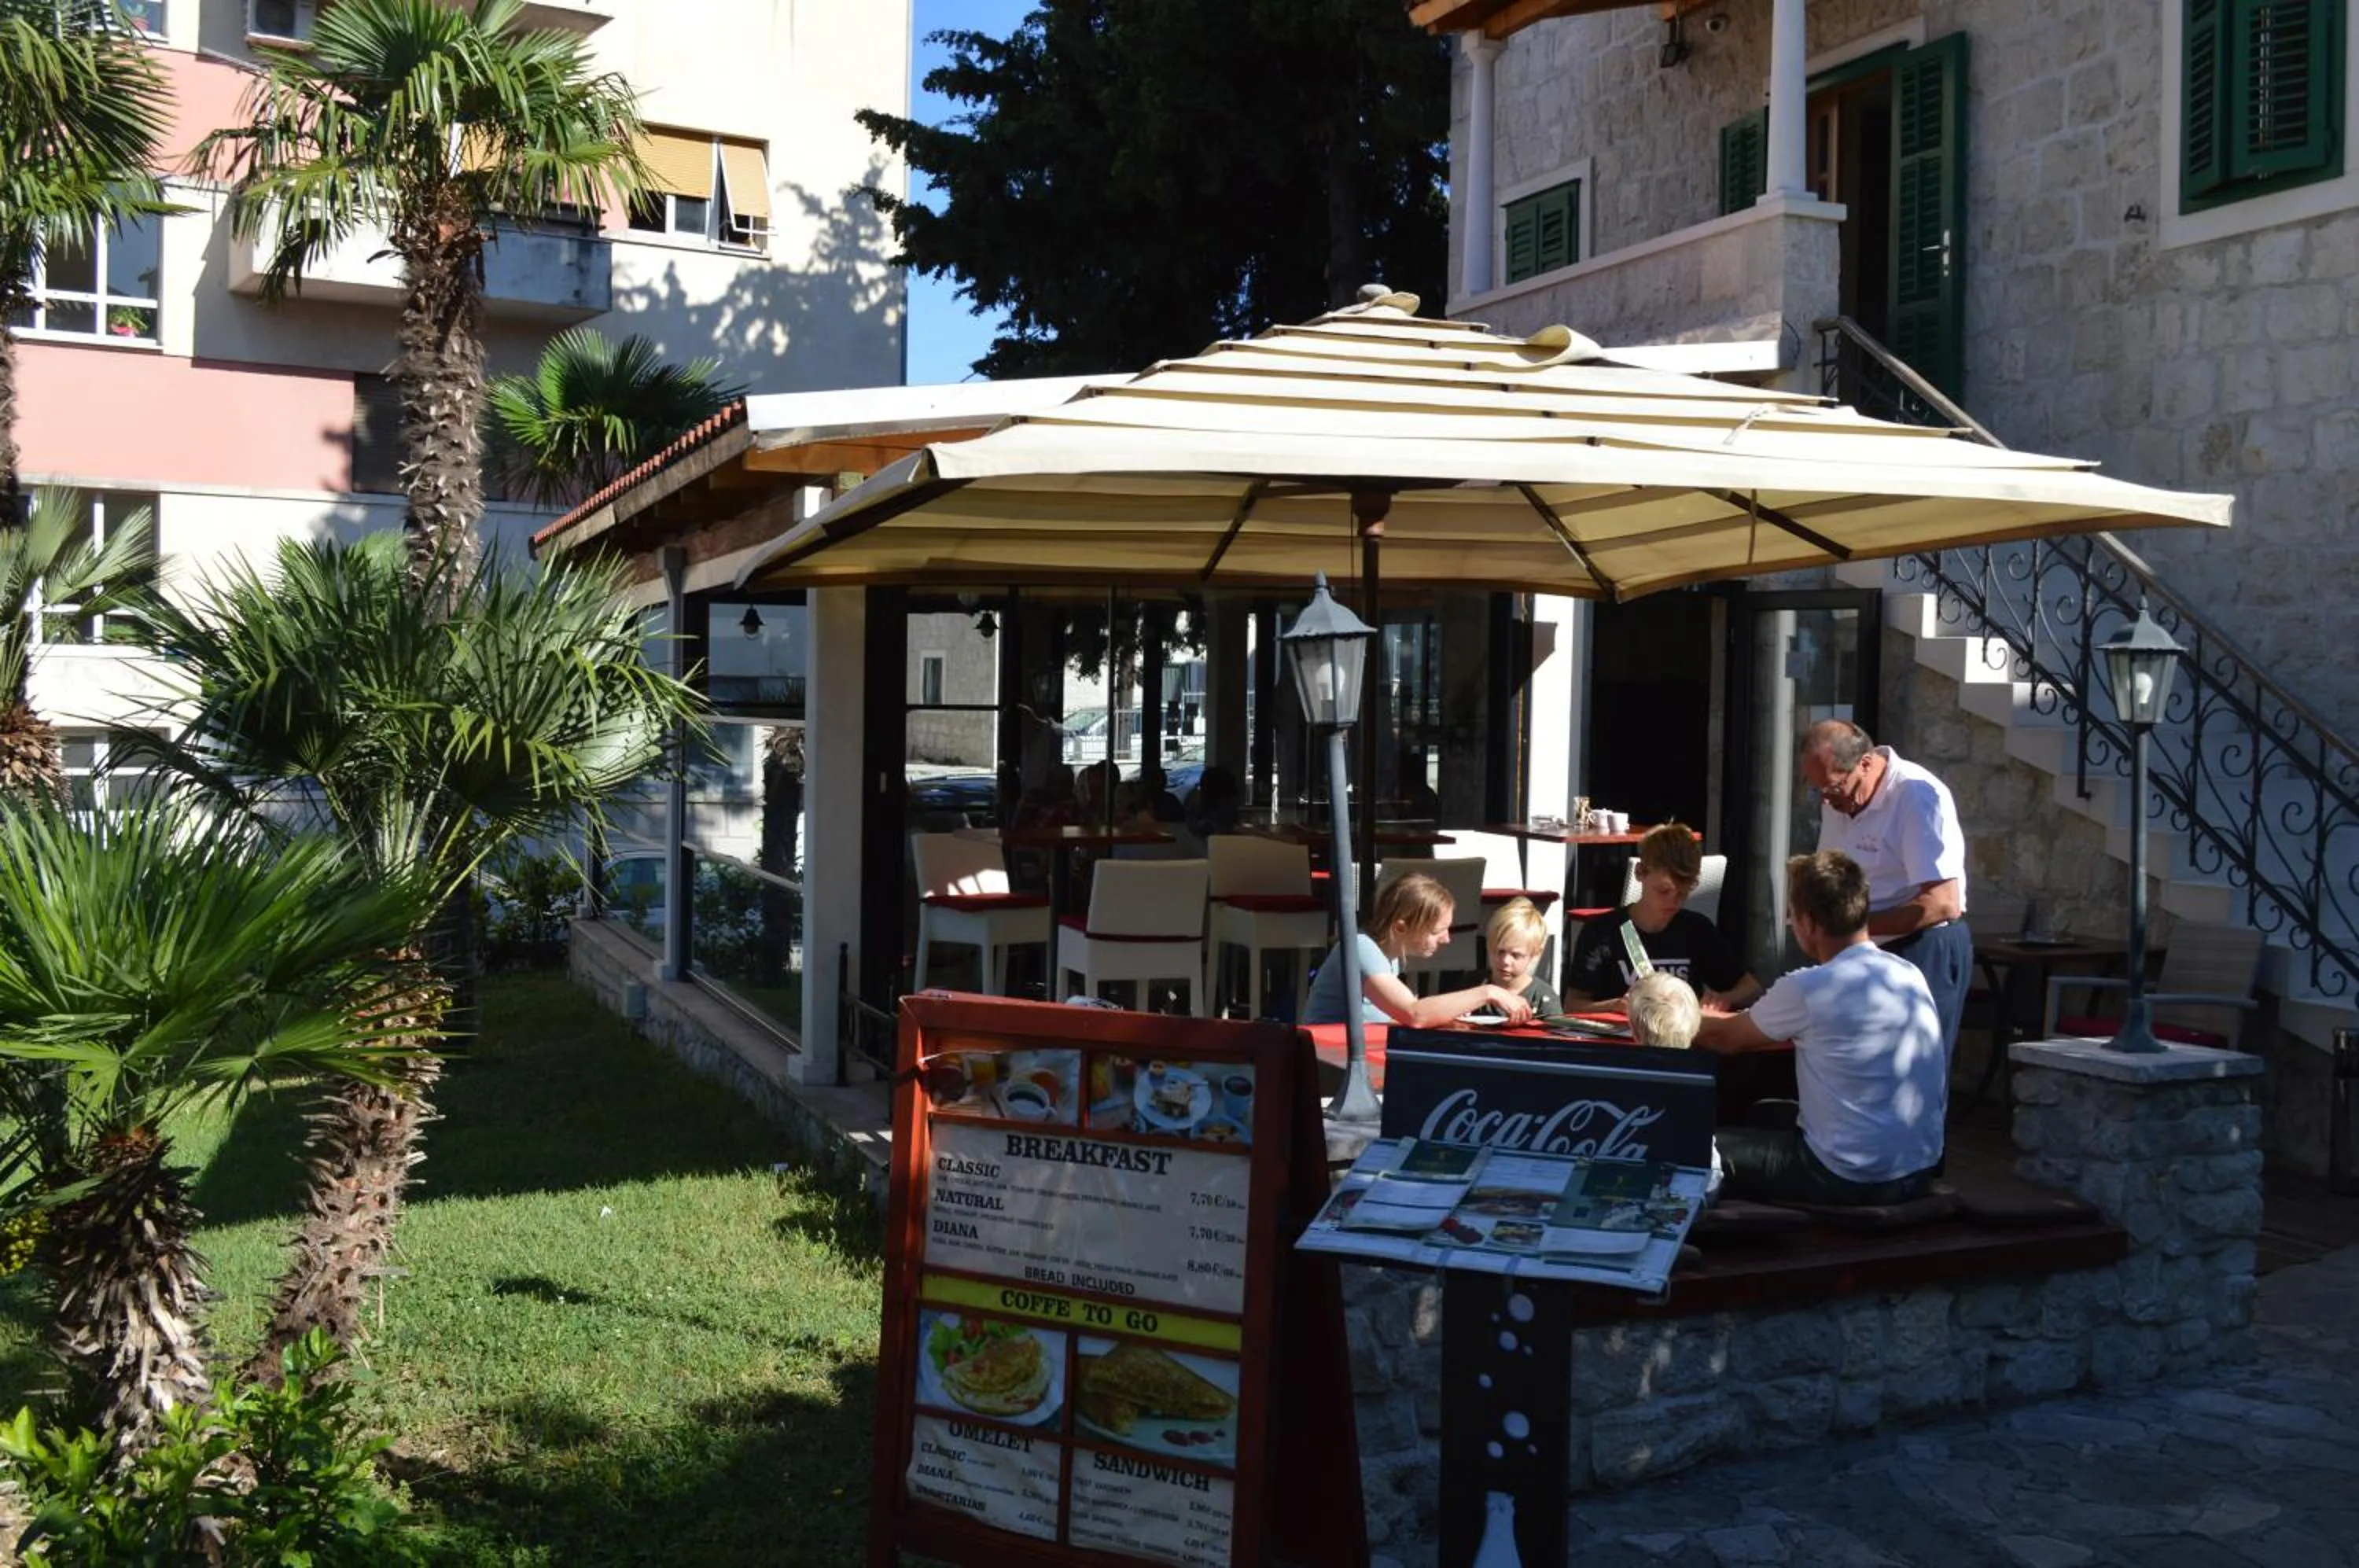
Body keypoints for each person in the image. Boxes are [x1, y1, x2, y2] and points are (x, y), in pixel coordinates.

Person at [1695, 851, 1949, 1206]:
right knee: (1763, 1113)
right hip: (1918, 1171)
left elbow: (1723, 1038)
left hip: (1847, 1178)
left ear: (1809, 924)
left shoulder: (1809, 988)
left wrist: (1666, 1012)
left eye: (1792, 917)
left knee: (1693, 1143)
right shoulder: (1908, 974)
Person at [1802, 720, 1972, 1057]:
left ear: (1865, 764)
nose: (1827, 800)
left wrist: (1847, 930)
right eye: (1817, 791)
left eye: (1834, 789)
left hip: (1922, 947)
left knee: (1914, 1070)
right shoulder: (1839, 797)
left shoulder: (1916, 794)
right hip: (1861, 951)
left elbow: (1942, 903)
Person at [1564, 823, 1761, 1011]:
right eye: (1664, 891)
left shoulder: (1695, 930)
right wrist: (1615, 1006)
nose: (1674, 902)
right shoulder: (1603, 932)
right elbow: (1572, 1006)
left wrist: (1723, 999)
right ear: (1640, 873)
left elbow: (1752, 989)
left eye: (1683, 893)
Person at [1303, 872, 1536, 1029]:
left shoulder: (1388, 956)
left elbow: (1388, 1017)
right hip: (1329, 1064)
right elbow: (1414, 1014)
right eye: (1437, 931)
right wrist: (1489, 992)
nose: (1446, 939)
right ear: (1401, 927)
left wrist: (1446, 1019)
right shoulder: (1361, 948)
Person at [1623, 971, 1723, 1195]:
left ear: (1634, 1030)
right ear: (1695, 1026)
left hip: (1630, 1190)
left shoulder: (1624, 1078)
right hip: (1700, 1191)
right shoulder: (1697, 1079)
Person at [1485, 897, 1562, 1018]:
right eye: (1500, 951)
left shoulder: (1543, 998)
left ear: (1535, 953)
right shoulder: (1472, 987)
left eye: (1516, 955)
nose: (1505, 961)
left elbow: (1556, 1033)